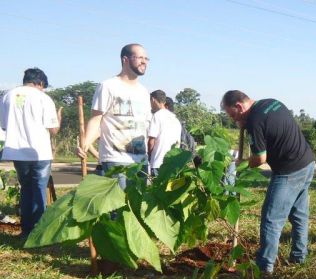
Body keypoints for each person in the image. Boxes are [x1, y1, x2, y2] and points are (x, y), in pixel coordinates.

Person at [221, 90, 315, 274]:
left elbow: (260, 158)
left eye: (233, 115)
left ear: (239, 106)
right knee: (299, 215)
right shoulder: (272, 102)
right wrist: (243, 122)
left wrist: (243, 163)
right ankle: (298, 257)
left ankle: (264, 267)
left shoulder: (255, 121)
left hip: (289, 171)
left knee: (271, 219)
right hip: (308, 162)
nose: (233, 120)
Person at [76, 43, 152, 189]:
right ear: (125, 59)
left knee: (136, 209)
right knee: (117, 208)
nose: (144, 61)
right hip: (116, 159)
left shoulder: (143, 92)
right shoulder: (108, 86)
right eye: (140, 57)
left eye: (146, 58)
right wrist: (85, 144)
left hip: (141, 161)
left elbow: (146, 126)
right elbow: (96, 120)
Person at [0, 68, 60, 237]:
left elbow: (4, 126)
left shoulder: (7, 96)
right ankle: (39, 232)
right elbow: (53, 129)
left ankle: (26, 230)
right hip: (39, 151)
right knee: (39, 189)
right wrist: (59, 120)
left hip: (17, 151)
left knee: (26, 188)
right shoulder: (43, 98)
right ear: (40, 83)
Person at [147, 90, 182, 176]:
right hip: (172, 162)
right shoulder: (175, 119)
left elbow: (152, 140)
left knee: (156, 188)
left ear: (153, 100)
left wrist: (149, 155)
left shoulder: (157, 116)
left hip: (158, 162)